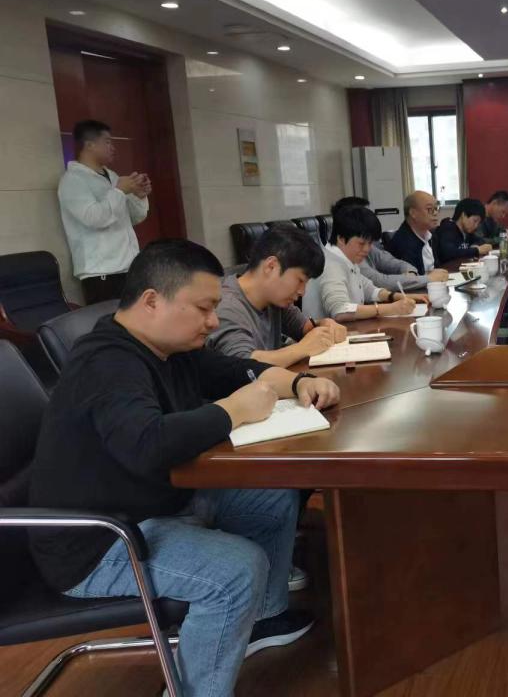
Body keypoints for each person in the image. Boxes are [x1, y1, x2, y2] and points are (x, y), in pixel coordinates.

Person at [28, 239, 341, 696]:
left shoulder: (168, 348)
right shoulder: (107, 362)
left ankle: (260, 619)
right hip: (97, 541)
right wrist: (233, 411)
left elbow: (237, 370)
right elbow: (147, 444)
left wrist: (298, 382)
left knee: (269, 492)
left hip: (153, 502)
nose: (213, 321)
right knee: (237, 570)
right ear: (152, 300)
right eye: (204, 308)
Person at [207, 224, 347, 367]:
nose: (302, 292)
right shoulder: (227, 307)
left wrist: (324, 325)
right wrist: (302, 348)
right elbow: (245, 365)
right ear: (271, 266)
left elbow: (304, 328)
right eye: (300, 280)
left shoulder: (274, 299)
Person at [58, 119, 152, 304]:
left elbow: (134, 217)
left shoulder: (113, 176)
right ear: (90, 145)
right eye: (107, 142)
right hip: (102, 273)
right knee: (110, 320)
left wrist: (139, 196)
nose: (113, 147)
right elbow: (95, 219)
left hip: (128, 266)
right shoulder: (73, 180)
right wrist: (119, 191)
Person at [319, 207, 427, 320]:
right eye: (361, 244)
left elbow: (368, 289)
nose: (367, 249)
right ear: (341, 238)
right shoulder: (331, 264)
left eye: (370, 243)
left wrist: (397, 297)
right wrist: (391, 308)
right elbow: (340, 311)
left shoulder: (346, 258)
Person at [331, 196, 447, 290]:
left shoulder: (365, 246)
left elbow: (393, 262)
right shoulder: (342, 255)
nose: (370, 217)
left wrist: (411, 273)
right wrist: (428, 279)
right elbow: (379, 281)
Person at [387, 190, 441, 274]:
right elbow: (413, 278)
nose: (435, 213)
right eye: (429, 209)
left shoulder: (431, 236)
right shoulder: (403, 243)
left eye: (436, 208)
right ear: (413, 213)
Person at [435, 198, 494, 264]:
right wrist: (476, 250)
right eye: (475, 221)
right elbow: (448, 253)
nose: (476, 226)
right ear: (463, 215)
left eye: (478, 223)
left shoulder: (466, 232)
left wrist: (476, 246)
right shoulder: (447, 229)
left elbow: (480, 241)